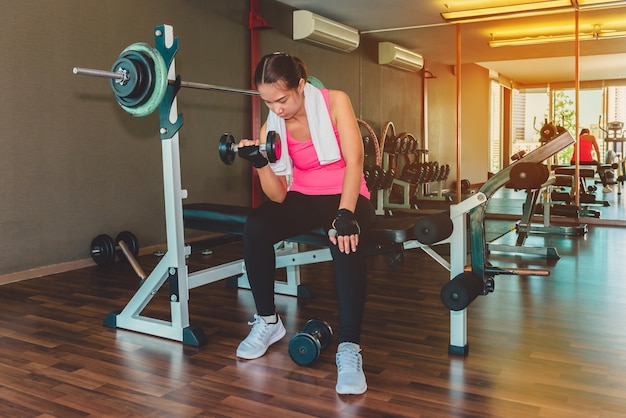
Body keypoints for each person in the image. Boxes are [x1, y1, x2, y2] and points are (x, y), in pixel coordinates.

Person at [234, 52, 376, 396]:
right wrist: (260, 164)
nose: (277, 109)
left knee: (345, 241)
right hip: (303, 195)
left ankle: (349, 346)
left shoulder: (335, 102)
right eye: (268, 102)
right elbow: (279, 197)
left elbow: (354, 162)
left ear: (301, 85)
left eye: (282, 99)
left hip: (348, 193)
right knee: (256, 226)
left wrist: (345, 214)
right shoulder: (273, 125)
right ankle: (268, 321)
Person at [571, 128, 612, 193]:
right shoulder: (591, 137)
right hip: (587, 161)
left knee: (581, 171)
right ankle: (605, 187)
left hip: (574, 162)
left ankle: (582, 188)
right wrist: (599, 162)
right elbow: (597, 151)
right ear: (588, 132)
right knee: (601, 168)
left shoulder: (577, 138)